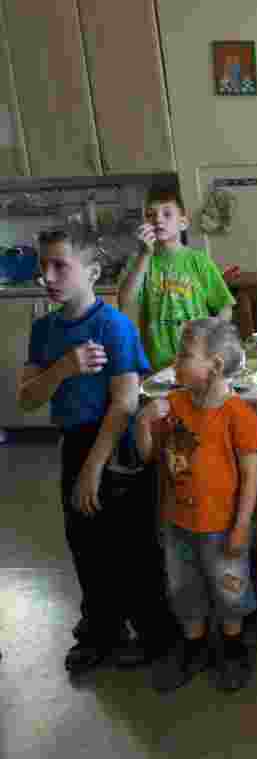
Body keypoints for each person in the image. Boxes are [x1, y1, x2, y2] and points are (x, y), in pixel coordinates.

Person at [17, 225, 175, 675]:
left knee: (133, 548)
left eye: (59, 265)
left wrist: (94, 468)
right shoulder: (44, 330)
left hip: (114, 448)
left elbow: (124, 403)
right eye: (42, 265)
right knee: (85, 544)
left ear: (91, 270)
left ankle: (156, 636)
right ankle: (102, 631)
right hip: (74, 443)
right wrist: (65, 367)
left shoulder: (113, 326)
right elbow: (27, 397)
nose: (47, 275)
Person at [135, 318, 257, 693]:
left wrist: (241, 524)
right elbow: (148, 457)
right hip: (178, 522)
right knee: (183, 587)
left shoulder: (237, 414)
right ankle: (194, 647)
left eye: (184, 355)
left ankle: (234, 646)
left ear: (216, 367)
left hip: (223, 523)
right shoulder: (172, 405)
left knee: (229, 587)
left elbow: (250, 475)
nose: (175, 362)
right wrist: (145, 420)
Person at [119, 182, 236, 372]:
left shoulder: (199, 261)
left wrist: (211, 341)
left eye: (167, 214)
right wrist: (144, 255)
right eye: (150, 215)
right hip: (157, 366)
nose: (158, 220)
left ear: (182, 223)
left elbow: (224, 307)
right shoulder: (139, 262)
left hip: (198, 363)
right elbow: (126, 303)